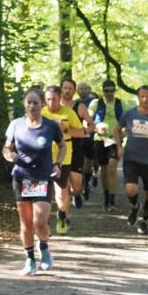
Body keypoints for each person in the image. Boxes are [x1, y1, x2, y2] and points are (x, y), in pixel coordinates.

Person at [3, 89, 65, 276]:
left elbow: (62, 145)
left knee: (39, 221)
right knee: (26, 222)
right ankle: (29, 259)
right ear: (24, 104)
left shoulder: (51, 126)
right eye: (29, 102)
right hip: (21, 176)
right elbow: (7, 147)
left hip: (42, 176)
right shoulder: (16, 125)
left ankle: (44, 246)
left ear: (42, 105)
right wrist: (9, 155)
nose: (32, 106)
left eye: (36, 103)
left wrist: (58, 164)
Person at [115, 86, 148, 235]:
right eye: (142, 96)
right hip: (131, 158)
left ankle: (144, 221)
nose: (145, 99)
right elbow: (117, 129)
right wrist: (119, 146)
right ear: (138, 98)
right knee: (130, 188)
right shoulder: (129, 114)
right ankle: (135, 206)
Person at [42, 85, 84, 235]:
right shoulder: (41, 112)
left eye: (54, 99)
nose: (51, 102)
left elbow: (81, 132)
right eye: (48, 99)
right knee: (43, 192)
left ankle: (62, 215)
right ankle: (43, 223)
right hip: (43, 157)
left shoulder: (69, 113)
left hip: (63, 157)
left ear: (60, 98)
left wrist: (65, 130)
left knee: (61, 193)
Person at [90, 80, 126, 212]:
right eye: (106, 91)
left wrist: (123, 134)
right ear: (103, 91)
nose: (109, 93)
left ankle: (112, 200)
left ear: (115, 91)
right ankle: (106, 198)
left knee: (112, 167)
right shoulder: (96, 103)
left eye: (112, 90)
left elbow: (128, 121)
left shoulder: (120, 103)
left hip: (114, 139)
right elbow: (87, 121)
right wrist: (96, 129)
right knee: (104, 170)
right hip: (100, 139)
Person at [61, 78, 95, 209]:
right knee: (62, 186)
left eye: (70, 88)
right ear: (61, 89)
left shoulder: (80, 106)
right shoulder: (55, 106)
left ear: (74, 91)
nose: (67, 91)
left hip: (76, 148)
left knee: (77, 186)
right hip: (59, 149)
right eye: (65, 88)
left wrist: (84, 132)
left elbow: (92, 125)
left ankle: (76, 194)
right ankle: (63, 212)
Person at [74, 82, 98, 201]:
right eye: (80, 88)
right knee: (80, 163)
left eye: (85, 88)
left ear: (89, 89)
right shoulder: (75, 103)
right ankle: (81, 186)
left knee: (88, 165)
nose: (83, 90)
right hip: (78, 136)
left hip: (91, 136)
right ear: (77, 90)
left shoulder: (94, 102)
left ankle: (87, 183)